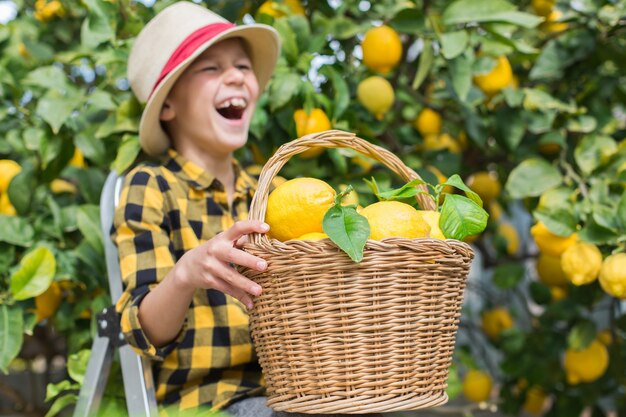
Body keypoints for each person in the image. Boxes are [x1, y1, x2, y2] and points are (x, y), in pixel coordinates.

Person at [112, 2, 382, 417]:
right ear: (168, 105)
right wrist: (186, 274)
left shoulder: (273, 189)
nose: (237, 75)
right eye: (212, 68)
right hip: (210, 400)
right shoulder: (151, 186)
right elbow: (142, 329)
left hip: (298, 388)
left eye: (242, 66)